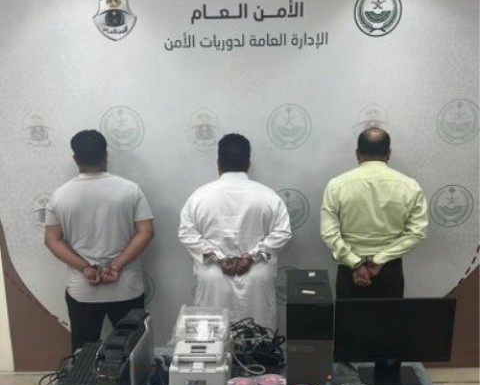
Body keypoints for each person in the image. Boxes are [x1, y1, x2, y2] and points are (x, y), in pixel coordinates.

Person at [44, 130, 154, 352]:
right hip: (126, 287)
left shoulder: (60, 195)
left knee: (83, 354)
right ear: (105, 155)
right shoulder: (130, 190)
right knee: (132, 354)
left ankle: (83, 376)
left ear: (75, 159)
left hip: (83, 288)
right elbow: (146, 232)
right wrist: (116, 265)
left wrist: (85, 267)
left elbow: (52, 240)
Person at [178, 133, 292, 330]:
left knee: (213, 338)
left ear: (218, 163)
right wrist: (253, 256)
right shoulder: (268, 196)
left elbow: (186, 233)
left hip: (214, 278)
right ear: (248, 163)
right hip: (256, 278)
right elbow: (283, 232)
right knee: (258, 337)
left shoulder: (199, 197)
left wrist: (218, 257)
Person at [320, 127, 428, 298]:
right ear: (389, 153)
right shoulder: (410, 186)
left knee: (349, 317)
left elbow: (329, 233)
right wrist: (379, 260)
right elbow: (417, 232)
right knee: (389, 316)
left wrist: (355, 263)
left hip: (350, 271)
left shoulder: (336, 185)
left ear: (357, 153)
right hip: (389, 271)